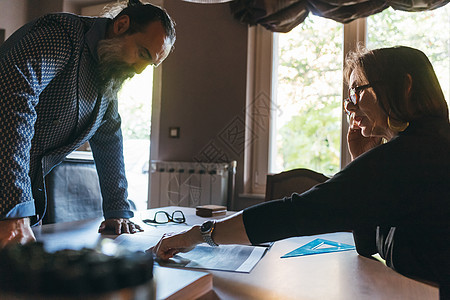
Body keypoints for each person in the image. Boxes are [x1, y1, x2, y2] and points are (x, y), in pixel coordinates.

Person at [152, 46, 450, 296]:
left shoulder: (412, 155)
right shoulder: (425, 146)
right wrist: (361, 158)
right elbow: (367, 246)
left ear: (405, 87)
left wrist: (196, 235)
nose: (349, 105)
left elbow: (298, 212)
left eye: (358, 90)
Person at [0, 0, 176, 248]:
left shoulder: (107, 71)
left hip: (18, 196)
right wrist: (13, 207)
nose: (139, 70)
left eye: (149, 64)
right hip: (8, 194)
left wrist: (117, 209)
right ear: (121, 25)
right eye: (142, 54)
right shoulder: (61, 36)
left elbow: (109, 138)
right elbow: (12, 100)